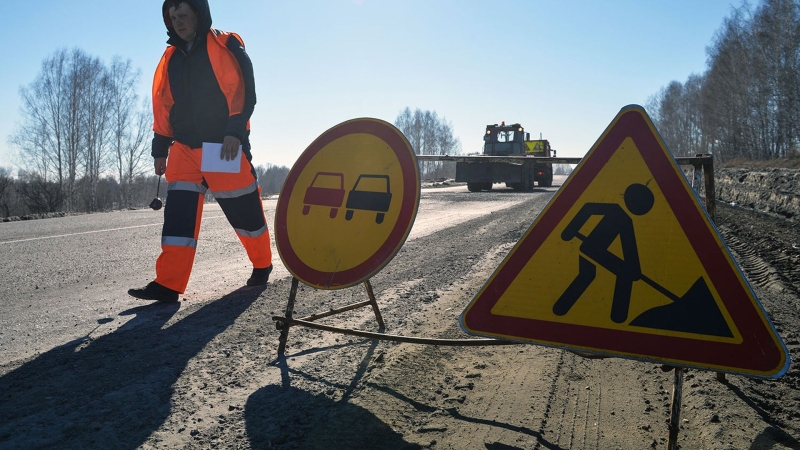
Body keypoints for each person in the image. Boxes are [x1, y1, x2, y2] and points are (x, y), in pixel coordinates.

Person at [129, 0, 273, 303]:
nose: (177, 21)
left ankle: (262, 264)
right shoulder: (171, 58)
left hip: (221, 145)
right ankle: (168, 284)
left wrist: (234, 131)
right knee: (178, 219)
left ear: (198, 14)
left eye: (183, 15)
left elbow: (244, 90)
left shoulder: (226, 43)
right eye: (172, 17)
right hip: (183, 147)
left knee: (244, 209)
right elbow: (164, 104)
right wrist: (160, 150)